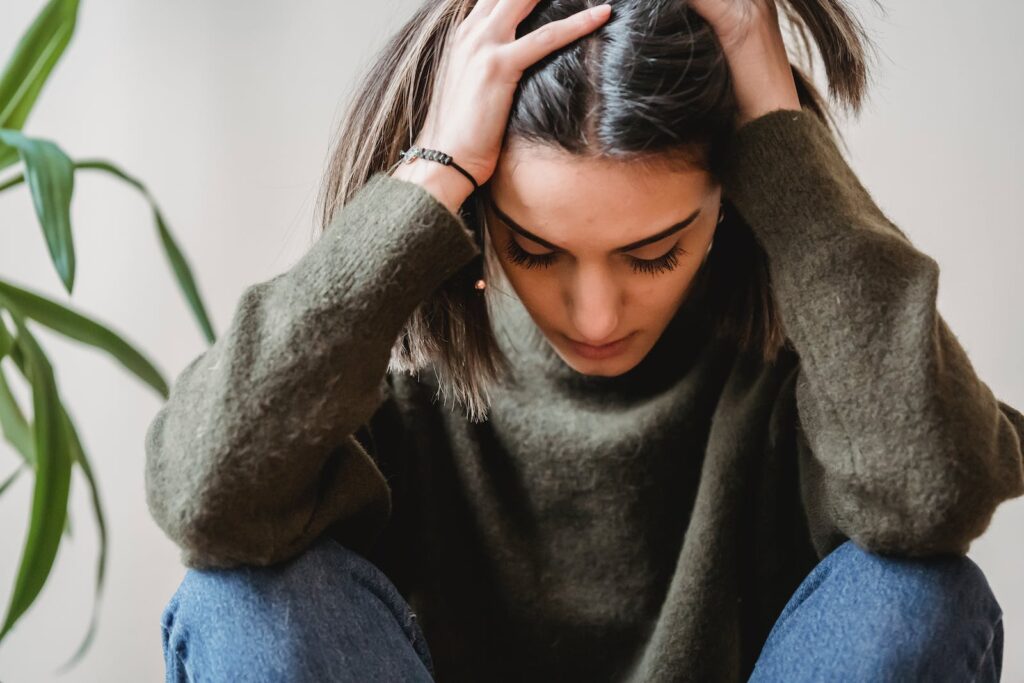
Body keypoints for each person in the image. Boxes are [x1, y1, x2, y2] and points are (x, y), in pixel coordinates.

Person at [147, 0, 1022, 681]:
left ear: (727, 204)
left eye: (654, 253)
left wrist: (776, 126)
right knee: (238, 600)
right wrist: (435, 166)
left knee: (925, 595)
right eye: (535, 248)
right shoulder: (379, 371)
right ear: (483, 209)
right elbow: (205, 494)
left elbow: (930, 492)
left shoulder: (820, 373)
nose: (595, 316)